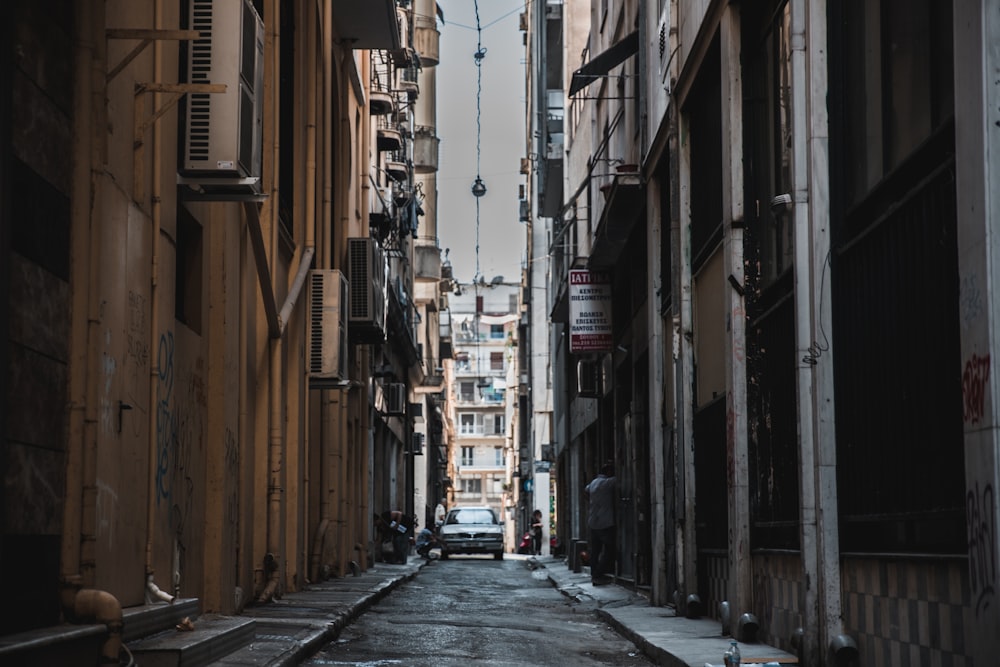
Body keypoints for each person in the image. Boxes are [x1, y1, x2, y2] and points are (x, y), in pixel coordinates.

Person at [584, 461, 616, 585]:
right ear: (608, 472)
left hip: (593, 521)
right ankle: (599, 573)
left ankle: (594, 574)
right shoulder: (608, 482)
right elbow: (620, 480)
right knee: (609, 549)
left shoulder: (593, 483)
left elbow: (585, 491)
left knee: (595, 550)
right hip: (605, 521)